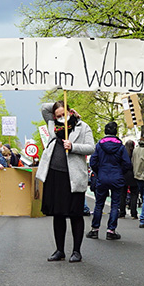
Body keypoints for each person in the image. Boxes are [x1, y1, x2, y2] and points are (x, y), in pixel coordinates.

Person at [36, 101, 95, 263]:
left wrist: (73, 146)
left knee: (75, 214)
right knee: (58, 214)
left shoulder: (82, 126)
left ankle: (76, 251)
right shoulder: (53, 125)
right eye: (58, 116)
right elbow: (45, 108)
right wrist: (61, 99)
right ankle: (59, 250)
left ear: (71, 111)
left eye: (64, 114)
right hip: (54, 175)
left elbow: (91, 147)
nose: (62, 118)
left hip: (73, 176)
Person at [87, 122, 132, 240]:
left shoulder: (99, 146)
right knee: (115, 204)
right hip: (117, 178)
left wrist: (99, 171)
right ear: (115, 132)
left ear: (105, 132)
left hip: (102, 177)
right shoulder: (121, 147)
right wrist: (120, 172)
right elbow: (127, 163)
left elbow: (93, 162)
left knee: (99, 204)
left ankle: (94, 230)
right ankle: (111, 231)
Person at [119, 139, 139, 219]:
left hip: (124, 175)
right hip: (133, 175)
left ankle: (122, 212)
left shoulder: (122, 153)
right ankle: (134, 213)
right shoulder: (135, 153)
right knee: (134, 195)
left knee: (122, 195)